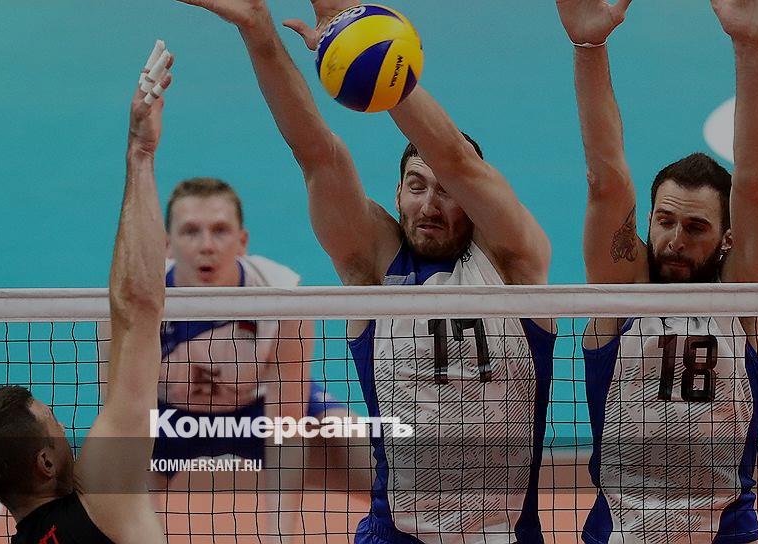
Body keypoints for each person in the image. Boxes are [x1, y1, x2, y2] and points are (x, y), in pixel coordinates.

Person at [174, 1, 557, 542]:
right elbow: (317, 154)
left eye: (447, 191)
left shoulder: (515, 265)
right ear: (397, 194)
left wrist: (370, 52)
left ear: (473, 201)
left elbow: (458, 160)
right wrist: (257, 29)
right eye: (416, 186)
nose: (429, 205)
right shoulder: (374, 271)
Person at [556, 0, 758, 541]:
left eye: (696, 228)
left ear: (728, 237)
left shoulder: (745, 303)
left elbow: (756, 185)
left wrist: (750, 48)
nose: (675, 241)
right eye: (665, 221)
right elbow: (605, 181)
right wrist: (588, 47)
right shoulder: (621, 294)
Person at [0, 42, 174, 543]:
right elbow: (139, 311)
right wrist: (140, 154)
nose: (66, 431)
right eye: (54, 425)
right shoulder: (103, 500)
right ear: (46, 463)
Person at [99, 176, 365, 493]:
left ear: (242, 241)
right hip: (167, 419)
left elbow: (287, 429)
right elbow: (121, 423)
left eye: (220, 230)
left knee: (364, 450)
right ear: (167, 245)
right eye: (190, 231)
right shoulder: (135, 304)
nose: (206, 246)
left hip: (256, 410)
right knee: (115, 475)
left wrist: (281, 523)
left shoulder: (281, 295)